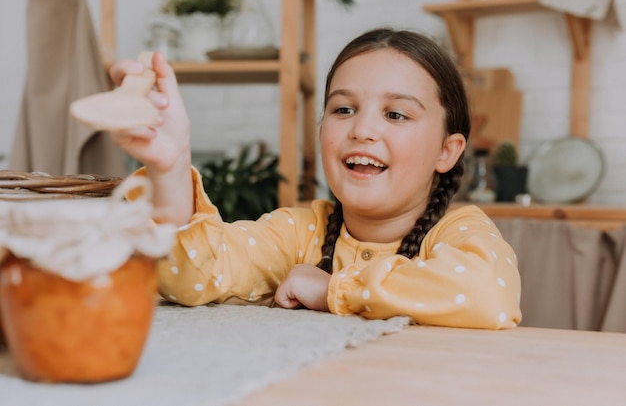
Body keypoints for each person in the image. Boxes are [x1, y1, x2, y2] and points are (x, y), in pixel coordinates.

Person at [109, 27, 522, 329]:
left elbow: (488, 295)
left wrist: (333, 291)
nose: (362, 129)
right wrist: (172, 165)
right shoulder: (297, 233)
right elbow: (193, 275)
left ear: (446, 151)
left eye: (396, 114)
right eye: (343, 109)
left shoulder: (459, 233)